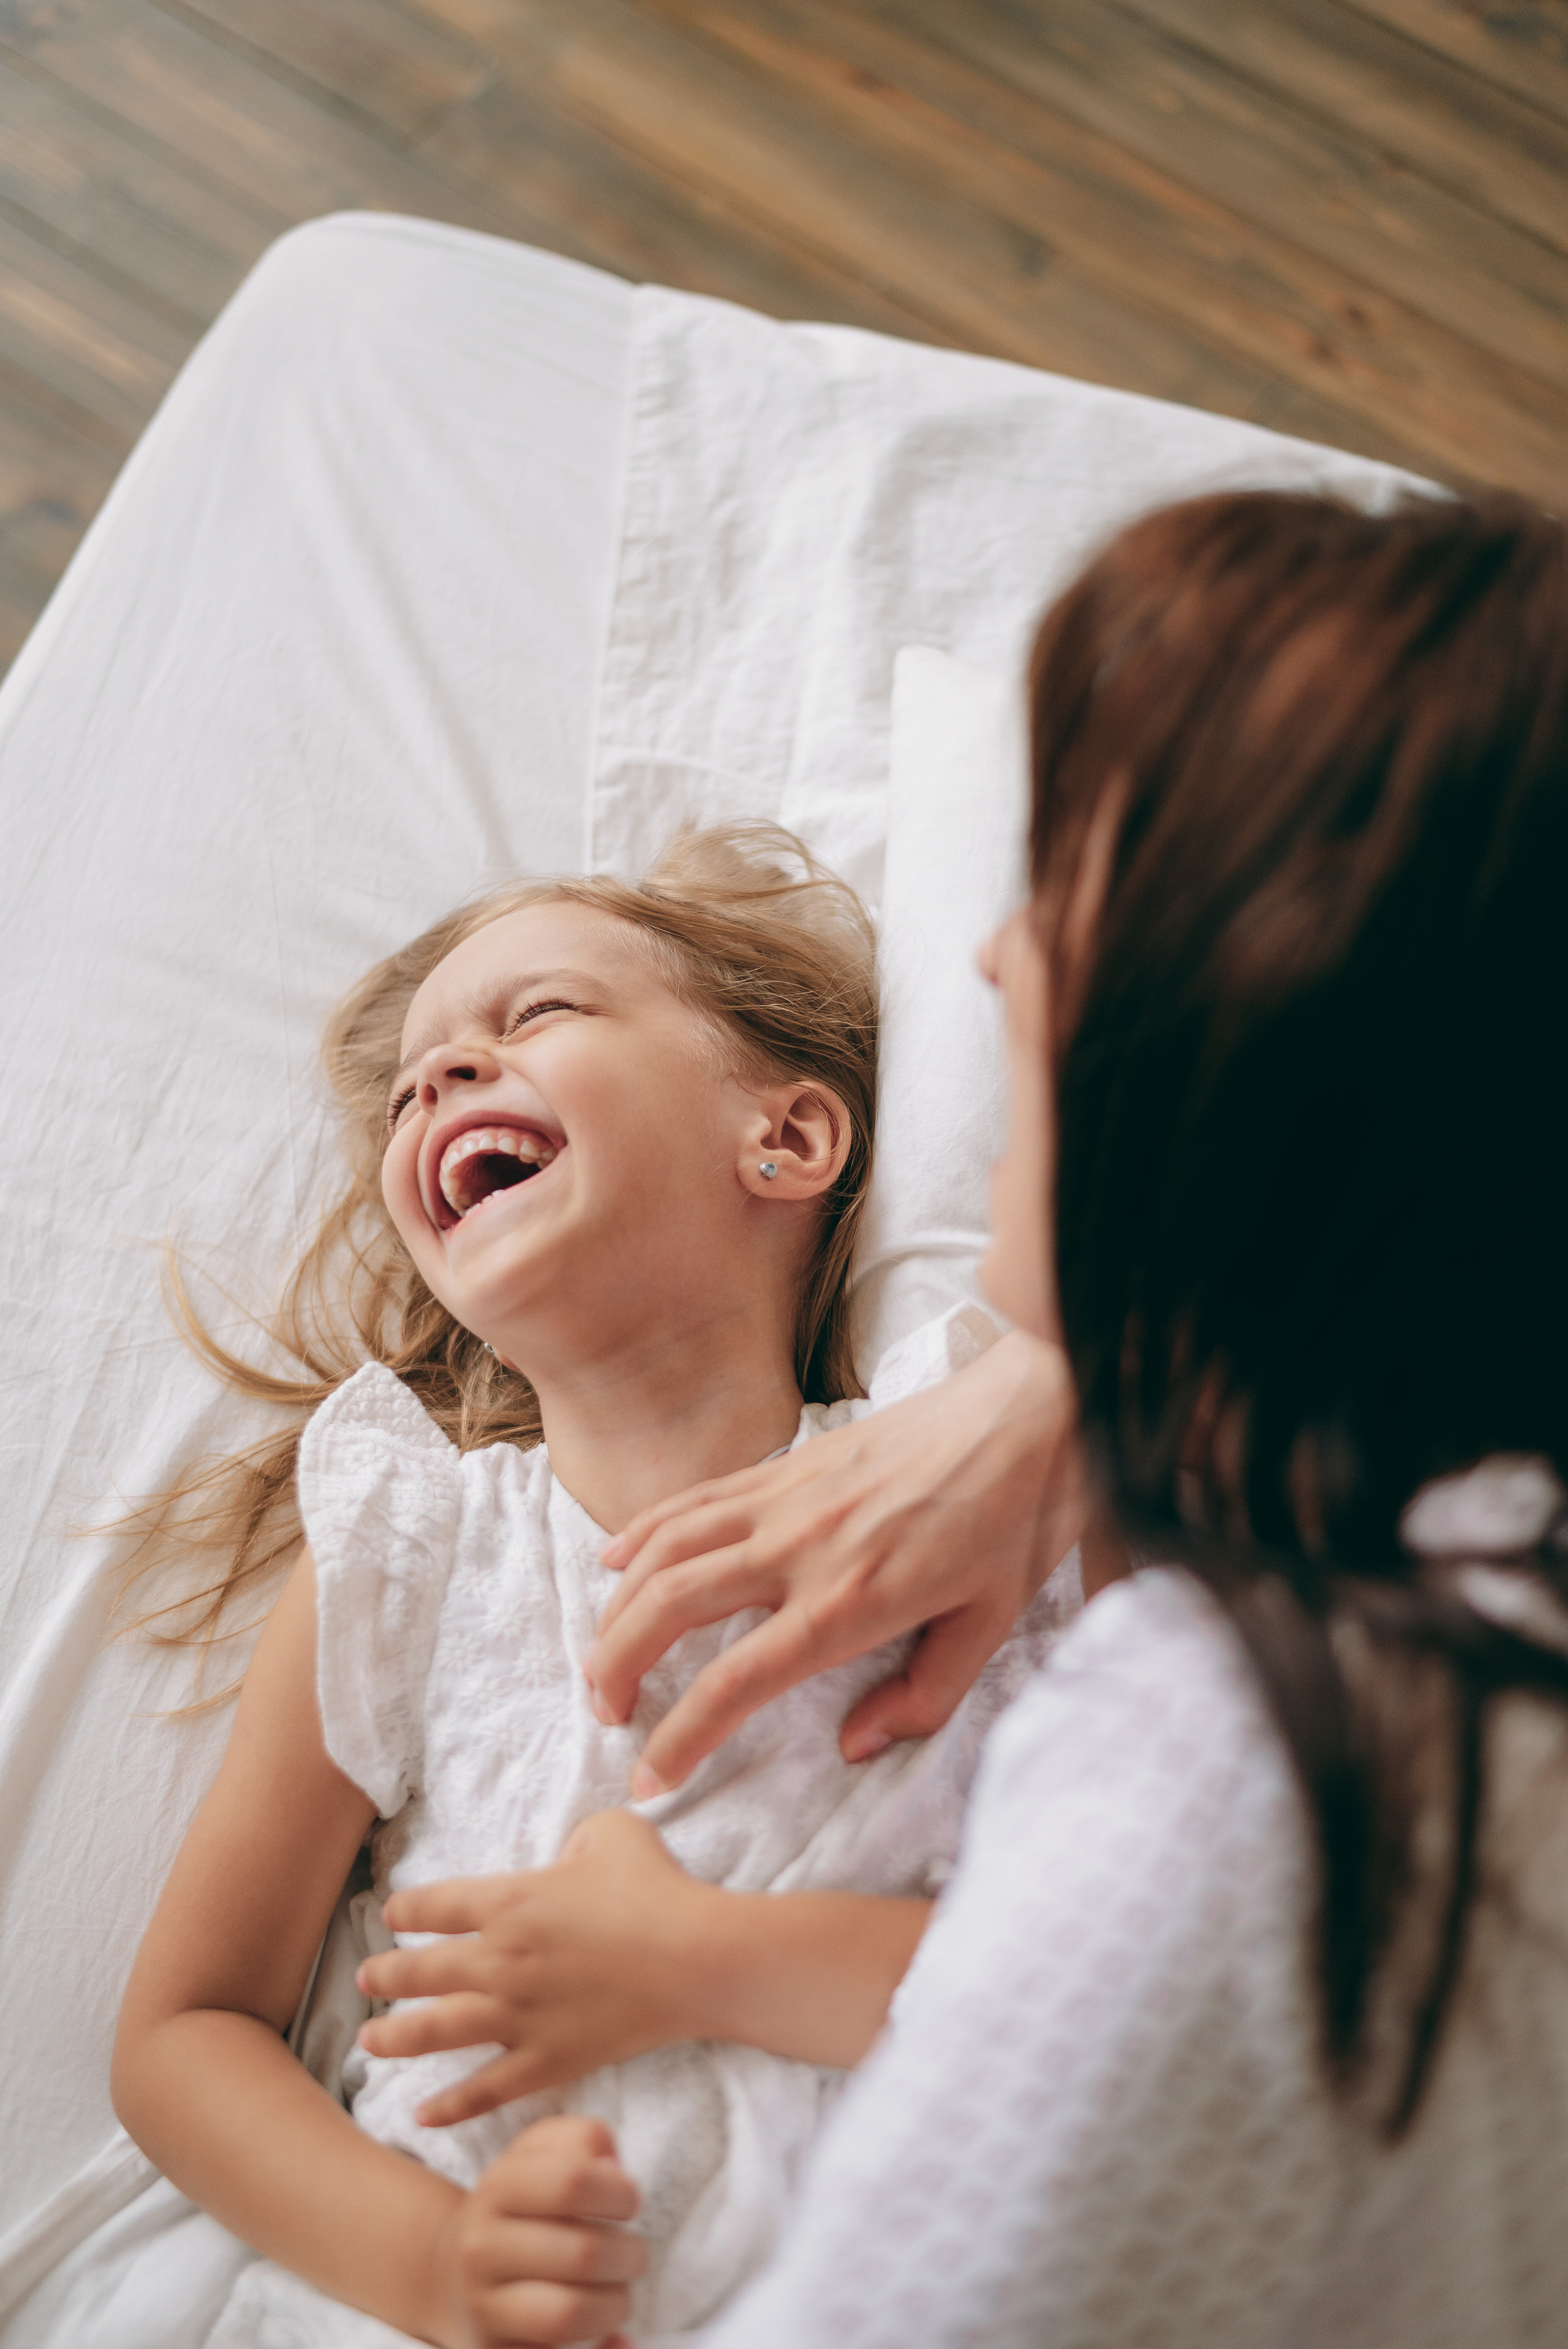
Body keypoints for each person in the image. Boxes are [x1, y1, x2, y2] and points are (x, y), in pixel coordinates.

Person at [397, 488, 1568, 2346]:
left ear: (1244, 1031)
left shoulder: (1227, 1766)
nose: (993, 960)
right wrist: (1079, 1379)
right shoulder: (1471, 1547)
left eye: (1075, 889)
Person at [109, 824, 1076, 2349]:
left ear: (788, 1140)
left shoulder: (952, 1489)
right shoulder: (405, 1557)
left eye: (532, 1016)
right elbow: (184, 2035)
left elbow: (1090, 1989)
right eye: (415, 1079)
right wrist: (433, 2264)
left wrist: (704, 1964)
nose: (438, 1079)